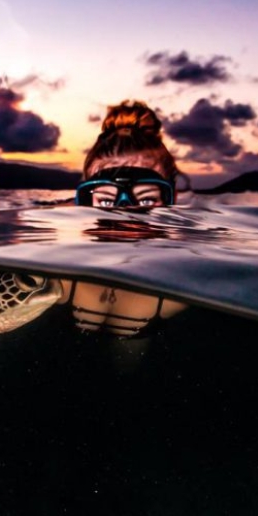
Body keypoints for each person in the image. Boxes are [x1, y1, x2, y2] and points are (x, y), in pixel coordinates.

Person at [58, 99, 186, 341]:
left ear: (172, 199)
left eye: (146, 200)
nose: (125, 216)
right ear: (85, 201)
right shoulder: (58, 272)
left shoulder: (181, 284)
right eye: (107, 202)